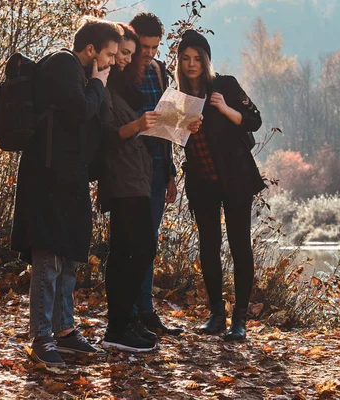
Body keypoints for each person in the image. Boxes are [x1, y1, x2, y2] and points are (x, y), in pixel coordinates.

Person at [10, 17, 122, 367]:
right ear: (90, 50)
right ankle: (42, 336)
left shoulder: (78, 73)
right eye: (108, 55)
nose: (111, 63)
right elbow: (80, 111)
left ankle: (64, 331)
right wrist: (99, 84)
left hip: (69, 178)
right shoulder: (63, 64)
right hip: (47, 179)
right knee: (49, 256)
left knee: (71, 253)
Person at [175, 30, 266, 341]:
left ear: (206, 59)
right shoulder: (178, 96)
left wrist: (226, 109)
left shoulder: (225, 84)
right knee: (209, 247)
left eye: (197, 58)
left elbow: (255, 119)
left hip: (236, 178)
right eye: (185, 59)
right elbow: (173, 137)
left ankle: (239, 320)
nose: (191, 64)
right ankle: (216, 314)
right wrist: (183, 128)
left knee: (240, 246)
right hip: (202, 182)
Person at [96, 23, 163, 352]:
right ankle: (118, 326)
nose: (125, 59)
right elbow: (108, 135)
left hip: (138, 175)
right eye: (121, 53)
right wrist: (138, 124)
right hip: (121, 177)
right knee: (132, 249)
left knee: (131, 249)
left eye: (129, 55)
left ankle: (123, 323)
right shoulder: (104, 82)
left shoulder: (125, 83)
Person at [121, 12, 184, 336]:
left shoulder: (160, 71)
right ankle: (127, 313)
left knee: (150, 242)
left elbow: (166, 127)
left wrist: (171, 172)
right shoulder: (121, 70)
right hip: (129, 170)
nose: (149, 53)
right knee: (131, 244)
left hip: (158, 169)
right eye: (145, 46)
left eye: (155, 47)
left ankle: (146, 311)